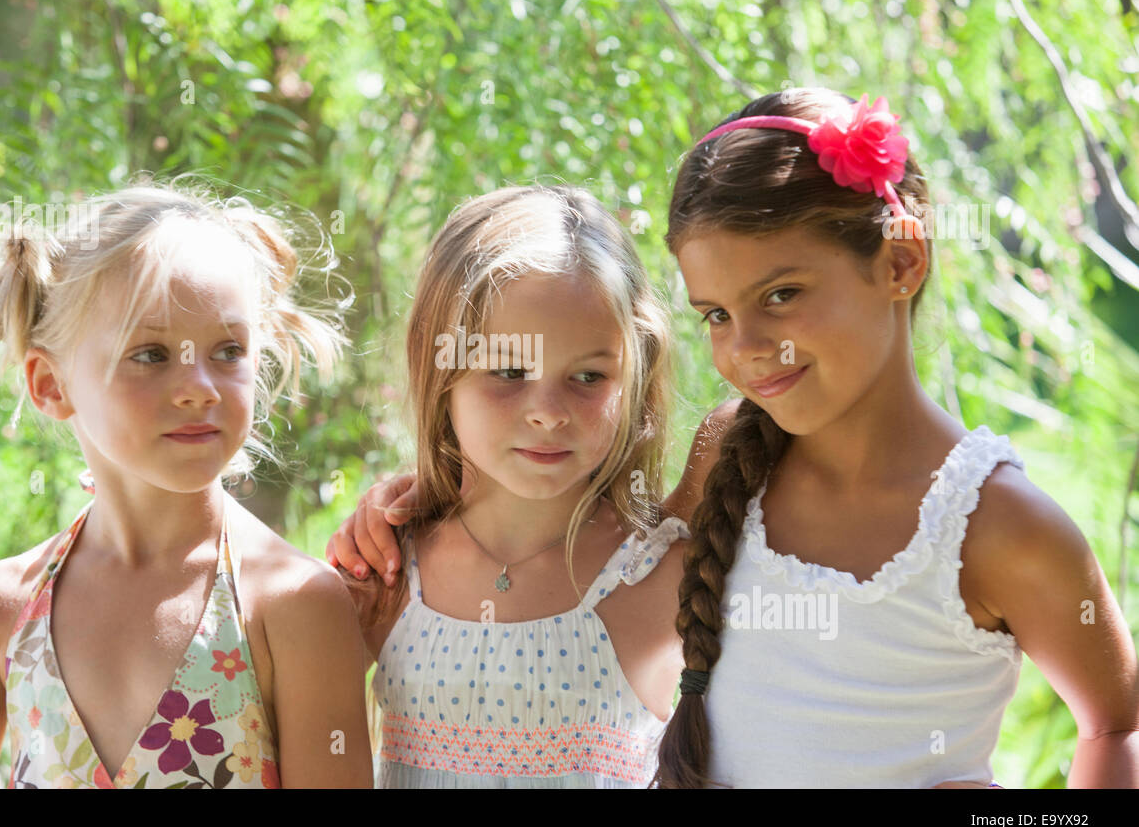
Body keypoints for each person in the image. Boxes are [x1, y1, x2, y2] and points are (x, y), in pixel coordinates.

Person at [332, 90, 1138, 788]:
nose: (746, 348)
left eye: (781, 295)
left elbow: (1116, 725)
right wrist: (422, 497)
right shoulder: (727, 458)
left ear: (900, 260)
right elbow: (588, 546)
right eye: (716, 314)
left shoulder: (1003, 528)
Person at [0, 181, 372, 788]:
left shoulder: (291, 605)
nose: (200, 386)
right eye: (150, 355)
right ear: (50, 385)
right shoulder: (1, 613)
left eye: (228, 351)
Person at [338, 184, 690, 787]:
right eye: (507, 371)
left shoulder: (661, 568)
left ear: (637, 368)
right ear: (436, 364)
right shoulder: (390, 571)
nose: (548, 412)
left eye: (588, 375)